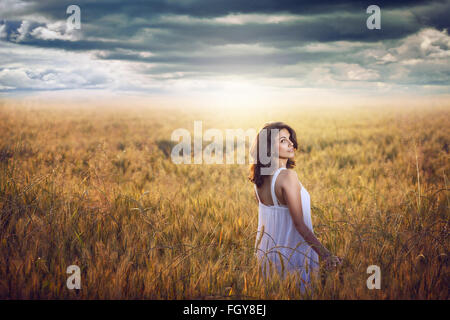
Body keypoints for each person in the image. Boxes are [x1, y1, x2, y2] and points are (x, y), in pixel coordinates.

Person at [249, 121, 342, 292]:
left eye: (290, 138)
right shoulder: (287, 177)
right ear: (268, 147)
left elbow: (271, 222)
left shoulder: (258, 183)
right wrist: (326, 255)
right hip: (294, 259)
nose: (291, 143)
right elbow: (299, 224)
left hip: (269, 259)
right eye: (283, 140)